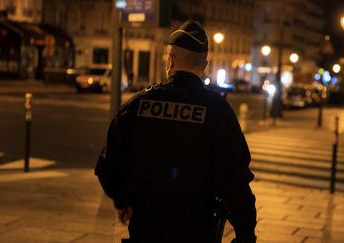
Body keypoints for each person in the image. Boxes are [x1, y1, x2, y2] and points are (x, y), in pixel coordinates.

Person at [95, 20, 256, 243]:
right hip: (197, 231)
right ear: (205, 65)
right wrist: (246, 234)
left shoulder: (138, 105)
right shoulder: (218, 111)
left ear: (170, 61)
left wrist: (123, 200)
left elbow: (108, 163)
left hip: (146, 230)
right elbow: (236, 181)